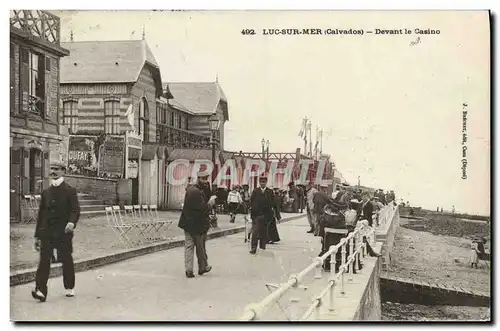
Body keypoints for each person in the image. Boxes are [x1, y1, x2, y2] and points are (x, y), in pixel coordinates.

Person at [32, 161, 80, 302]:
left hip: (63, 232)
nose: (53, 171)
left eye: (56, 169)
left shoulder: (70, 190)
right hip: (47, 232)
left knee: (66, 259)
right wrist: (37, 236)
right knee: (44, 261)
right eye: (51, 169)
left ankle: (69, 286)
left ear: (63, 171)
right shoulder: (46, 192)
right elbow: (41, 215)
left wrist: (71, 222)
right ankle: (40, 290)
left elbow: (75, 209)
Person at [178, 175, 215, 278]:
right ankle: (202, 267)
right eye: (204, 179)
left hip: (187, 223)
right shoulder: (197, 192)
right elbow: (202, 208)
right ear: (199, 179)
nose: (206, 181)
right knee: (200, 247)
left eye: (207, 179)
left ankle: (189, 270)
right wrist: (210, 203)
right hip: (198, 225)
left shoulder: (191, 189)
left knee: (189, 246)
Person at [249, 175, 278, 254]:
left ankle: (262, 248)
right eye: (261, 182)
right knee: (255, 232)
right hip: (257, 215)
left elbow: (274, 203)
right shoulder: (255, 191)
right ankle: (253, 248)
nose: (262, 184)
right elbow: (251, 202)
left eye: (264, 182)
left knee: (263, 232)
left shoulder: (270, 191)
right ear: (259, 182)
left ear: (266, 183)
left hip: (266, 215)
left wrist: (276, 214)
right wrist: (251, 212)